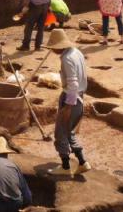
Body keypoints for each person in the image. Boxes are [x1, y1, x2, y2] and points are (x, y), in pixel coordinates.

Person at [45, 29, 91, 178]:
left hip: (71, 98)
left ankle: (65, 167)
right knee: (69, 131)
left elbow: (73, 83)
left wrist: (68, 106)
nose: (51, 50)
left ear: (58, 46)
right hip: (80, 97)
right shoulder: (76, 52)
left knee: (60, 133)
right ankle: (83, 162)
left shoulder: (66, 59)